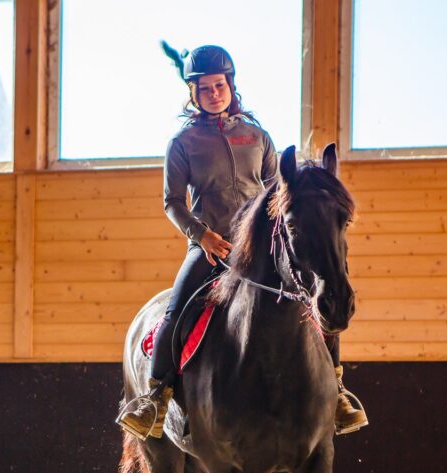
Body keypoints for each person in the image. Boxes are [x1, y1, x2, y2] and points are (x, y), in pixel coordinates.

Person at [117, 44, 368, 441]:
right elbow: (172, 202)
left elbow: (276, 193)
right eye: (205, 88)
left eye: (220, 85)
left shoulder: (257, 136)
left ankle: (336, 392)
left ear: (231, 85)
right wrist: (203, 236)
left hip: (257, 247)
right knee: (176, 309)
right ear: (193, 94)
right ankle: (154, 397)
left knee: (312, 293)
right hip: (210, 247)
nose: (214, 93)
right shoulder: (182, 143)